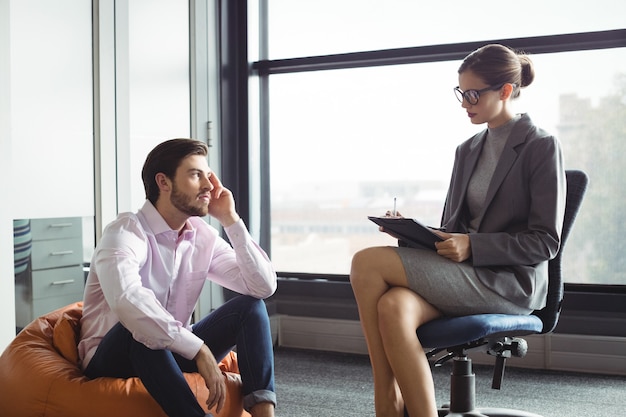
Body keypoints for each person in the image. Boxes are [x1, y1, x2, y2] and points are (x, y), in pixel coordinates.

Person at [349, 44, 566, 417]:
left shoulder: (540, 146)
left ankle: (386, 401)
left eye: (472, 94)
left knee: (366, 263)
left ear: (506, 91)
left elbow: (545, 242)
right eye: (460, 93)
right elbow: (454, 230)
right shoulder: (468, 149)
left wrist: (473, 247)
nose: (464, 102)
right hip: (465, 275)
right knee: (393, 305)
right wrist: (411, 232)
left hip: (508, 283)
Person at [78, 139, 278, 417]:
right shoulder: (125, 232)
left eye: (208, 176)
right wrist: (198, 349)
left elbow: (262, 287)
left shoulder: (202, 236)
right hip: (113, 356)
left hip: (173, 354)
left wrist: (231, 221)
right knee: (140, 331)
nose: (209, 186)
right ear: (164, 182)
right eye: (196, 175)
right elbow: (128, 301)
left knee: (250, 308)